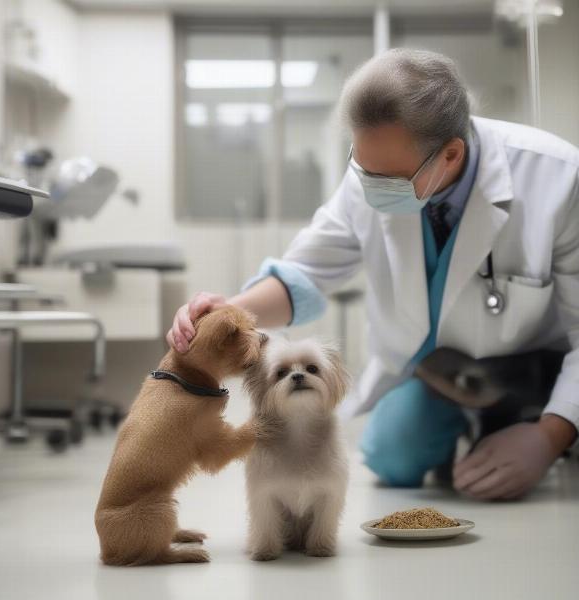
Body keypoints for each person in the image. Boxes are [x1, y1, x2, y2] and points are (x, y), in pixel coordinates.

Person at [167, 48, 578, 500]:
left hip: (531, 368)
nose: (371, 187)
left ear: (451, 154)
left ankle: (524, 421)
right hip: (433, 372)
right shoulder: (371, 175)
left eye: (390, 180)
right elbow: (304, 273)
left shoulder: (557, 178)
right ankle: (471, 429)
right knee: (392, 458)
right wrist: (229, 315)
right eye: (364, 169)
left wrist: (550, 437)